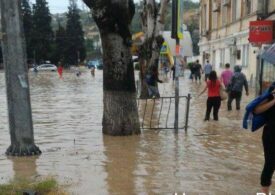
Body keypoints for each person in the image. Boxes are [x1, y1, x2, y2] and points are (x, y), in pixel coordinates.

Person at [254, 83, 275, 194]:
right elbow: (257, 110)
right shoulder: (271, 92)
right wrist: (274, 101)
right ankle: (265, 192)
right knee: (270, 164)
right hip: (271, 134)